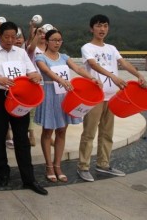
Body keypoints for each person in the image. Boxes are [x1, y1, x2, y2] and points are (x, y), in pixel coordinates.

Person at [77, 14, 147, 182]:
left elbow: (123, 63)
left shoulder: (111, 48)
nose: (102, 29)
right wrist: (113, 77)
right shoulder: (87, 47)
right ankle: (83, 166)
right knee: (89, 133)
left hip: (111, 97)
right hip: (95, 97)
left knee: (107, 133)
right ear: (91, 28)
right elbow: (93, 64)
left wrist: (138, 74)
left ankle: (103, 164)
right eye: (99, 25)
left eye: (105, 26)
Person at [0, 21, 48, 195]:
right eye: (7, 37)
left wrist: (34, 76)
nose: (11, 40)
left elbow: (31, 71)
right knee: (0, 137)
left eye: (14, 36)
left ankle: (29, 178)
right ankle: (3, 174)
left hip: (20, 98)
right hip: (0, 98)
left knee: (22, 139)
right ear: (0, 36)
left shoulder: (21, 53)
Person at [35, 29, 101, 183]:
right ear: (47, 41)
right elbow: (46, 71)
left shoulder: (64, 57)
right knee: (47, 131)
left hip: (64, 96)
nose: (57, 43)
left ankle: (58, 165)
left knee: (62, 131)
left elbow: (78, 69)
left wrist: (92, 78)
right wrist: (60, 80)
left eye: (59, 40)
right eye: (54, 40)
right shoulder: (40, 57)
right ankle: (49, 166)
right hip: (50, 95)